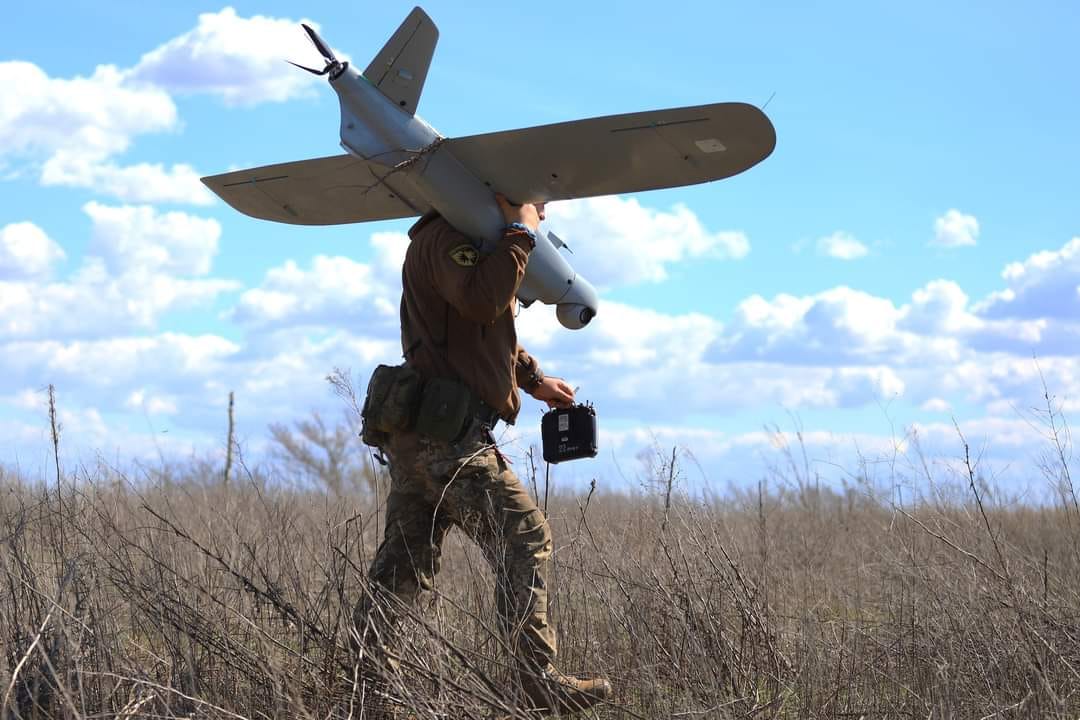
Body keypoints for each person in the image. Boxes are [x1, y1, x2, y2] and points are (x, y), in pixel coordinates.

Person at [352, 196, 612, 714]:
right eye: (536, 203)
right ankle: (539, 687)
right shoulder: (448, 240)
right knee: (527, 537)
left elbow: (478, 332)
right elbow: (479, 303)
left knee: (402, 566)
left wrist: (533, 381)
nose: (543, 212)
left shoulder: (460, 243)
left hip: (426, 436)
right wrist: (521, 234)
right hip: (447, 441)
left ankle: (366, 689)